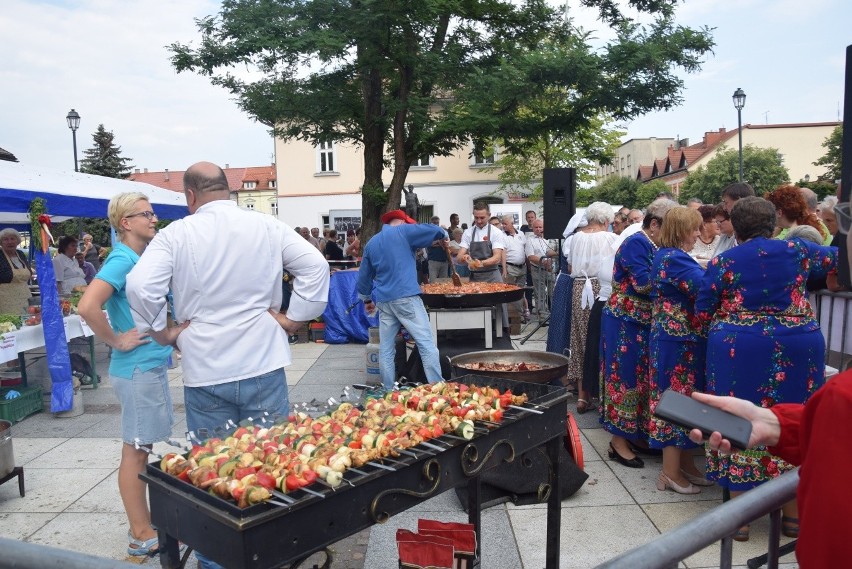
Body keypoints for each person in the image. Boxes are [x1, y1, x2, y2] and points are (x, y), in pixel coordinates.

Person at [127, 162, 329, 569]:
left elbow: (139, 285)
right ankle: (271, 553)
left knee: (214, 471)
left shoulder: (176, 235)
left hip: (206, 365)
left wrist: (161, 330)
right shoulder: (266, 226)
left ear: (190, 196)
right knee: (272, 462)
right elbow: (316, 266)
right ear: (227, 190)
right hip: (261, 359)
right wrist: (295, 318)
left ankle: (216, 560)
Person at [695, 196, 836, 541]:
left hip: (738, 347)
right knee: (796, 418)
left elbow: (702, 309)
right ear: (772, 224)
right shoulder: (801, 251)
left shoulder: (724, 261)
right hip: (799, 343)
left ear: (736, 227)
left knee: (736, 421)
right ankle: (794, 517)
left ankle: (740, 520)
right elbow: (837, 259)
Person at [77, 192, 174, 557]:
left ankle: (145, 525)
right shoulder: (121, 259)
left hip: (147, 365)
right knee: (135, 451)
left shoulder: (139, 257)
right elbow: (88, 306)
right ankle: (140, 533)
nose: (153, 219)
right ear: (125, 223)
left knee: (141, 447)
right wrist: (116, 340)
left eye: (153, 213)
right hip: (135, 369)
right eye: (144, 214)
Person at [600, 198, 678, 469]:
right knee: (624, 378)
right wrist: (680, 276)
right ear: (655, 224)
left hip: (643, 321)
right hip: (625, 321)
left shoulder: (654, 244)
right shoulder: (636, 243)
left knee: (642, 379)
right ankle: (617, 442)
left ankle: (636, 435)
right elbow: (643, 284)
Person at [647, 206, 710, 494]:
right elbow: (705, 290)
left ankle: (684, 466)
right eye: (695, 228)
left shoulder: (669, 255)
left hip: (677, 339)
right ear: (682, 230)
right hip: (678, 341)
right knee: (675, 404)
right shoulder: (675, 259)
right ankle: (670, 473)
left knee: (684, 403)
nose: (699, 233)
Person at [357, 209, 446, 389]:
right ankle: (438, 388)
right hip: (406, 297)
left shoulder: (372, 243)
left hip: (384, 301)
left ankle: (389, 390)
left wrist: (367, 300)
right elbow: (434, 230)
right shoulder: (403, 231)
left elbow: (363, 278)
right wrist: (444, 232)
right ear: (403, 222)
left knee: (386, 349)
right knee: (426, 344)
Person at [565, 202, 617, 412]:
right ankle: (600, 393)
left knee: (578, 337)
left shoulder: (576, 237)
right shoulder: (610, 238)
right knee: (598, 338)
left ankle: (582, 395)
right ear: (606, 221)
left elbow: (570, 266)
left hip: (578, 287)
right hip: (600, 288)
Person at [525, 219, 557, 319]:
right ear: (532, 228)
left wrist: (550, 263)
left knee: (553, 292)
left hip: (551, 269)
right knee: (540, 293)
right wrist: (544, 262)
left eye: (540, 227)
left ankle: (554, 313)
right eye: (536, 227)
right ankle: (542, 316)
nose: (538, 229)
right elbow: (530, 256)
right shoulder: (529, 240)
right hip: (537, 268)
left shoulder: (551, 239)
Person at [501, 214, 529, 322]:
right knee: (511, 292)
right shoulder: (502, 236)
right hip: (510, 266)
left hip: (522, 267)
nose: (503, 226)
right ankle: (514, 316)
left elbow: (525, 251)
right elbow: (503, 252)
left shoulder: (521, 234)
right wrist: (504, 269)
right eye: (503, 223)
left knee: (520, 292)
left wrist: (528, 266)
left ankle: (520, 315)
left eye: (505, 224)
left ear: (512, 224)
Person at [0, 228, 32, 314]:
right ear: (1, 242)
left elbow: (29, 272)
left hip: (25, 297)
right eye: (5, 239)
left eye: (12, 239)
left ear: (17, 241)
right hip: (5, 300)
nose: (10, 242)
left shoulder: (20, 254)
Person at [426, 216, 450, 282]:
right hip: (433, 261)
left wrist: (436, 243)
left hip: (444, 261)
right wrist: (438, 242)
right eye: (434, 223)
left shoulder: (442, 232)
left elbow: (446, 244)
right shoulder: (428, 233)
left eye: (437, 223)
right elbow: (428, 244)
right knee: (433, 282)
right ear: (431, 223)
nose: (436, 224)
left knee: (444, 282)